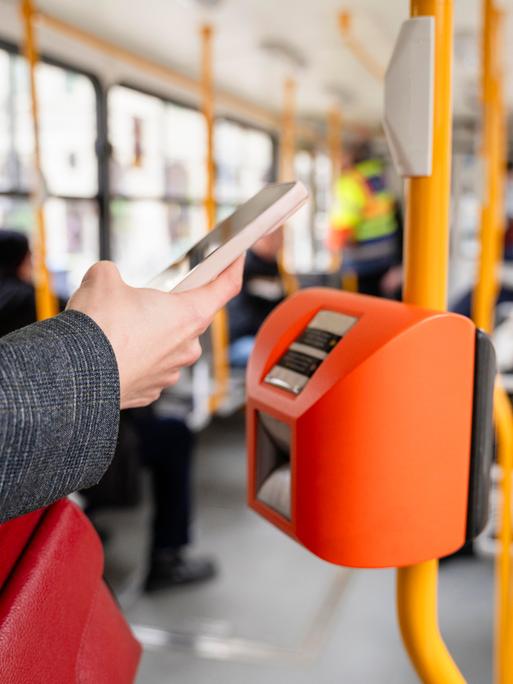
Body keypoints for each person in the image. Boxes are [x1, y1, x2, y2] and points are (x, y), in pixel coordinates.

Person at [0, 231, 216, 589]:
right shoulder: (44, 302)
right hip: (67, 443)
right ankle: (167, 556)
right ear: (24, 261)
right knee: (173, 435)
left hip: (32, 446)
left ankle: (90, 519)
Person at [329, 144, 402, 298]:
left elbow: (343, 226)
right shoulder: (380, 178)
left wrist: (334, 245)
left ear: (349, 157)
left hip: (360, 264)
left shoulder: (349, 183)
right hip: (386, 258)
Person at [227, 229, 285, 366]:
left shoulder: (277, 271)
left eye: (278, 234)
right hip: (242, 341)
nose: (274, 240)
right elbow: (242, 318)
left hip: (268, 340)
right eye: (269, 235)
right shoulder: (243, 270)